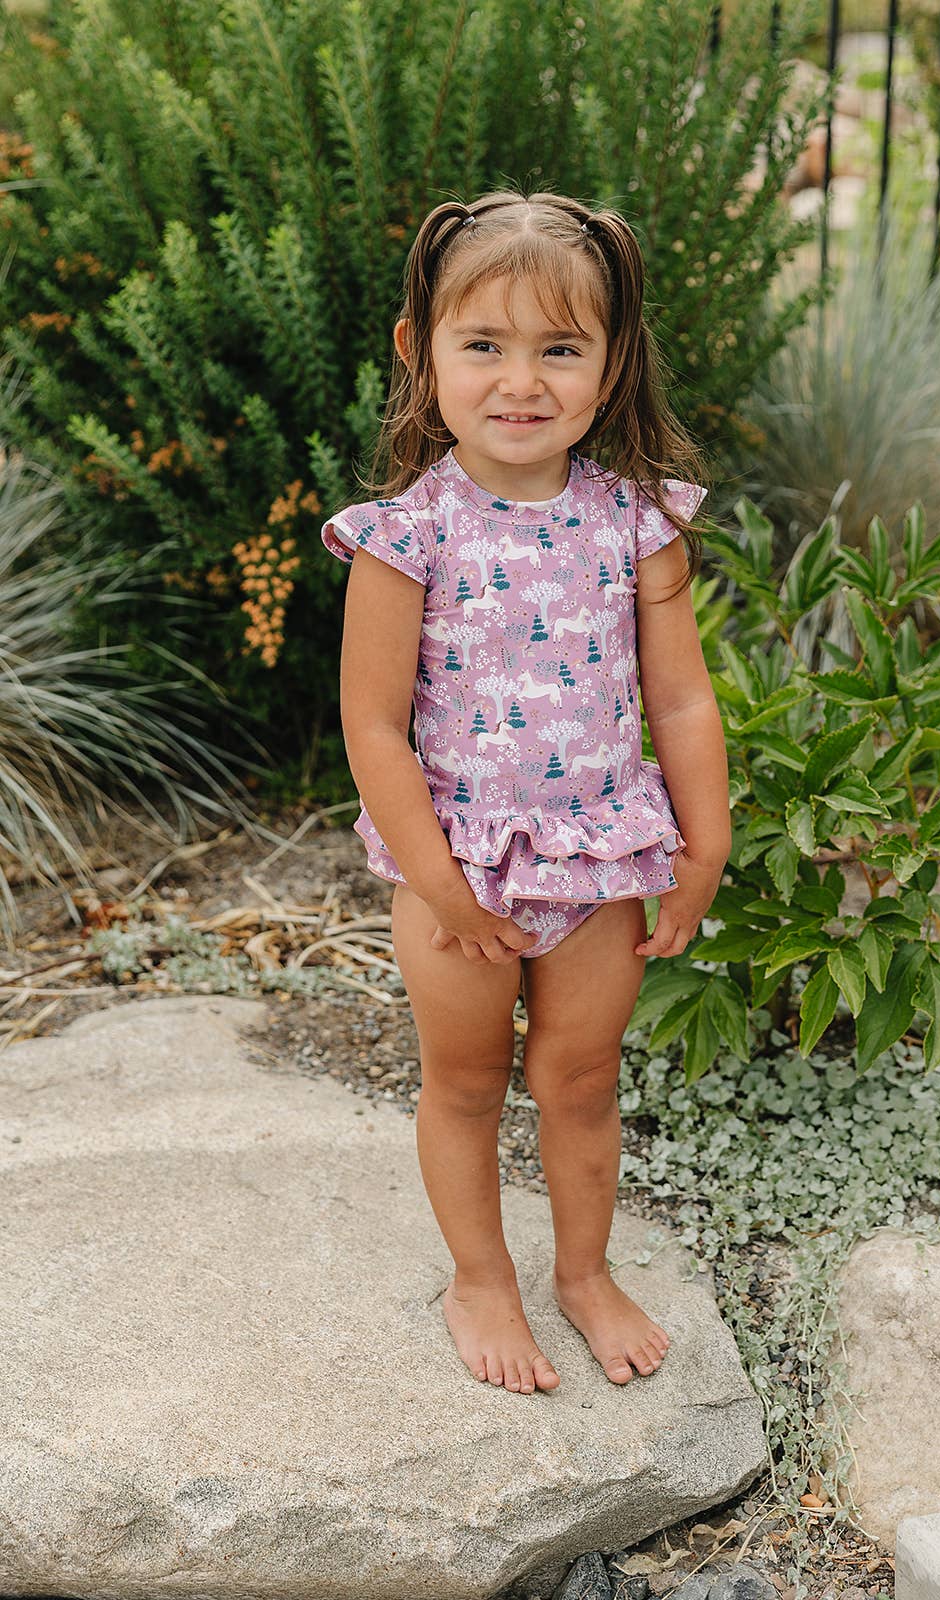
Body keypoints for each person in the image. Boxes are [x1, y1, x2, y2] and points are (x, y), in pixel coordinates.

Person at [322, 189, 731, 1397]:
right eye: (483, 344)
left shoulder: (635, 525)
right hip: (454, 869)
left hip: (598, 863)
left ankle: (583, 1272)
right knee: (464, 1084)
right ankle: (480, 1277)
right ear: (421, 351)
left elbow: (682, 701)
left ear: (609, 362)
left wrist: (702, 845)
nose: (520, 381)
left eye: (558, 348)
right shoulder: (407, 537)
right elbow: (371, 726)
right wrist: (439, 881)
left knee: (581, 1077)